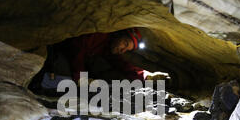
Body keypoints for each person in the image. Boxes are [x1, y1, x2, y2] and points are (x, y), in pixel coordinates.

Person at [37, 28, 169, 92]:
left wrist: (147, 77)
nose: (122, 49)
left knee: (110, 72)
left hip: (83, 62)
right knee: (61, 76)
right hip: (61, 52)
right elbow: (77, 51)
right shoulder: (100, 35)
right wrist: (80, 77)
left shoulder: (113, 49)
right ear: (119, 35)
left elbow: (127, 67)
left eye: (126, 49)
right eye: (124, 43)